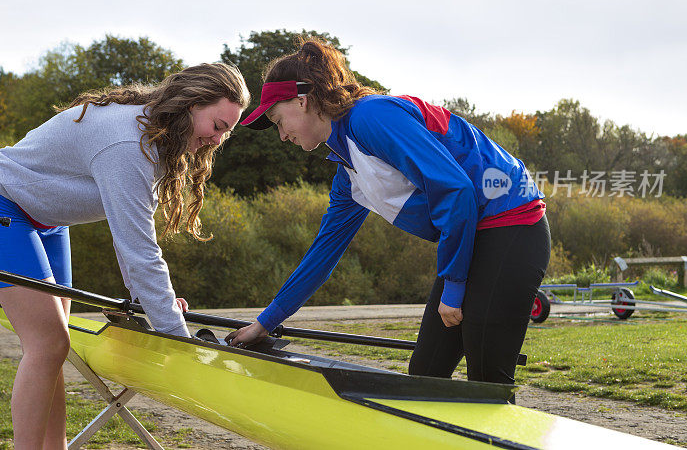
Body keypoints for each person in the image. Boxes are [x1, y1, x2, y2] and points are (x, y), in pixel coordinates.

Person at [226, 40, 550, 388]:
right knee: (426, 375)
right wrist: (265, 322)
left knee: (488, 381)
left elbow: (456, 191)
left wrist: (454, 287)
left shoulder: (370, 117)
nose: (281, 136)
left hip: (513, 226)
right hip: (472, 237)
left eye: (277, 120)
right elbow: (321, 256)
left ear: (302, 102)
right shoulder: (347, 173)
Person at [0, 63, 250, 449]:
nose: (218, 140)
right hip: (0, 210)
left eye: (227, 132)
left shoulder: (157, 138)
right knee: (48, 345)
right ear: (190, 104)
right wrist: (179, 341)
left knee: (52, 347)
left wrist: (150, 304)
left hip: (48, 221)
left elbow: (130, 234)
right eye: (217, 126)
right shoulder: (128, 144)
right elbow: (140, 250)